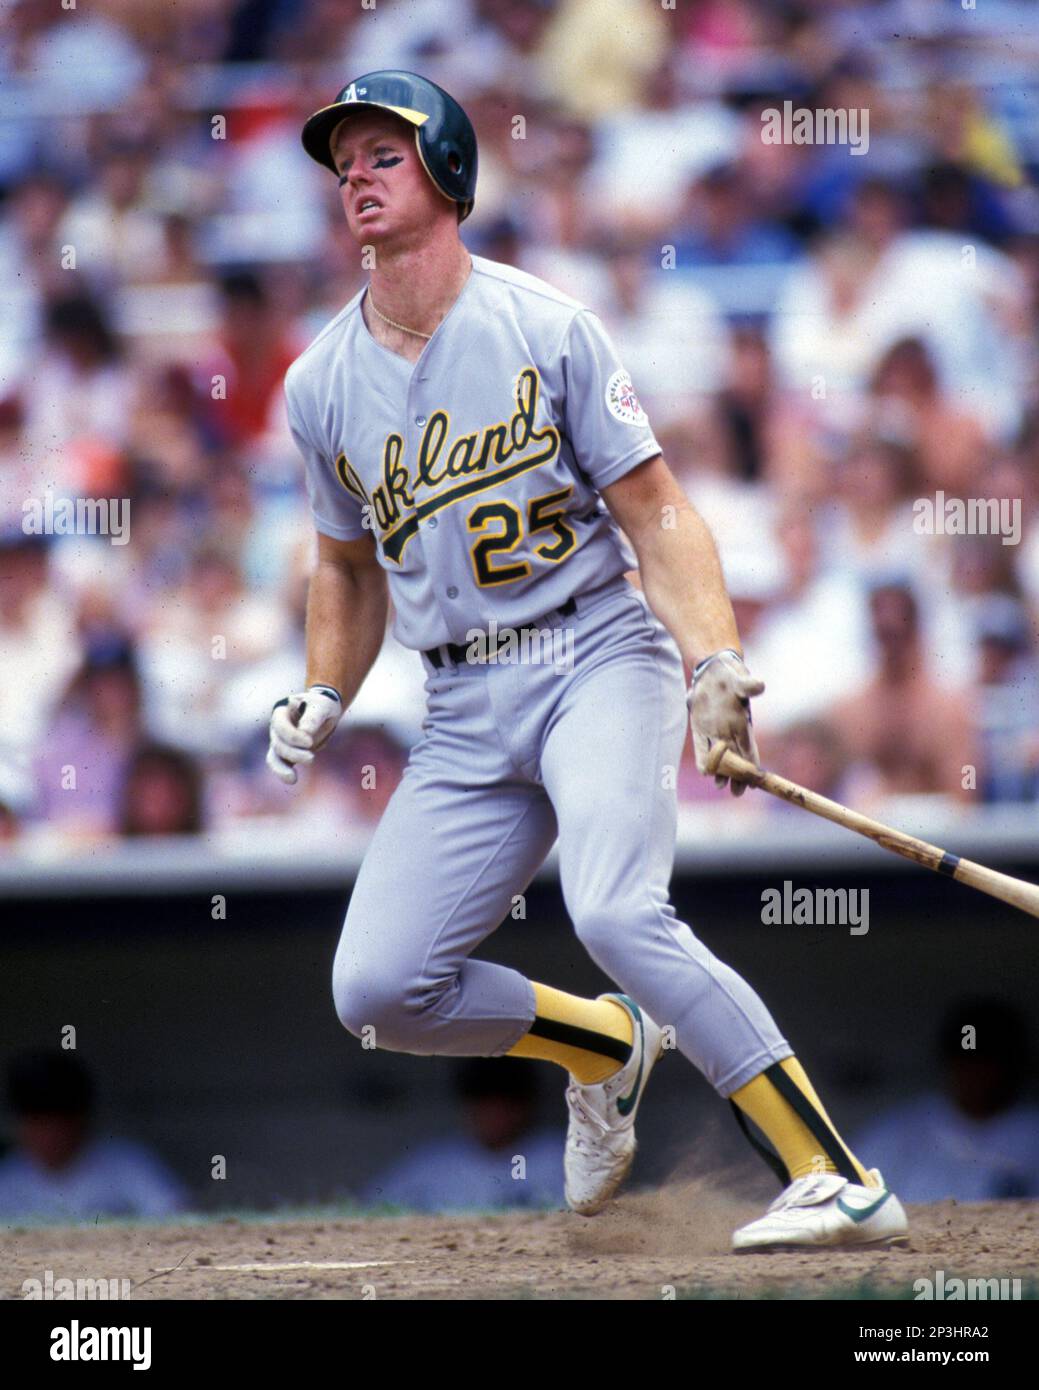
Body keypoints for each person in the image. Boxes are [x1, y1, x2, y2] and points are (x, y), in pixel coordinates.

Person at [266, 70, 907, 1253]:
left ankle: (837, 1171)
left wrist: (712, 655)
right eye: (341, 159)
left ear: (448, 170)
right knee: (380, 991)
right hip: (459, 700)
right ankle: (605, 1048)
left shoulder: (544, 324)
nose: (353, 173)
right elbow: (346, 567)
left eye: (382, 154)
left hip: (590, 652)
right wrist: (320, 685)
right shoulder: (318, 384)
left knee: (613, 905)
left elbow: (658, 513)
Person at [0, 1050, 188, 1223]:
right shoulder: (8, 1177)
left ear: (80, 1121)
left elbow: (178, 1216)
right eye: (37, 1123)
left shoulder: (126, 1163)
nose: (48, 1135)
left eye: (58, 1123)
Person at [362, 1059, 564, 1213]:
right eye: (483, 1104)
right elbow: (370, 1210)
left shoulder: (560, 1158)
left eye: (504, 1105)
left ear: (525, 1106)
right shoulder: (433, 1164)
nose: (494, 1115)